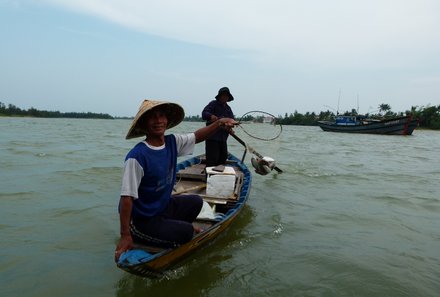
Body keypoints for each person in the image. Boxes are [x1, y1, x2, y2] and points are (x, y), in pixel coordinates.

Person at [114, 99, 236, 262]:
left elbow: (197, 136)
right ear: (144, 123)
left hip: (162, 208)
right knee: (186, 232)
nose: (158, 121)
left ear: (167, 120)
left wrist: (219, 123)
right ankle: (155, 233)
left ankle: (168, 228)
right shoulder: (137, 157)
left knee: (196, 202)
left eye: (161, 116)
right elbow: (126, 199)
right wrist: (125, 235)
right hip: (142, 221)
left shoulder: (172, 142)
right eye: (152, 117)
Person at [201, 87, 235, 167]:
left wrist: (231, 126)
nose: (224, 97)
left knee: (222, 159)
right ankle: (209, 178)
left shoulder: (228, 108)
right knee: (211, 161)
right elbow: (204, 113)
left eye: (226, 96)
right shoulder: (213, 104)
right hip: (212, 138)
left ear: (228, 98)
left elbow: (232, 120)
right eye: (223, 95)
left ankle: (219, 178)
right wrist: (211, 116)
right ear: (219, 96)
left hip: (223, 139)